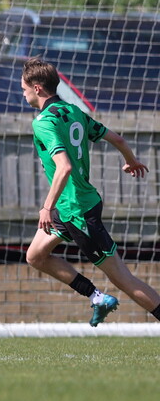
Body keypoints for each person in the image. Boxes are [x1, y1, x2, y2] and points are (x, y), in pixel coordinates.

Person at [20, 57, 160, 326]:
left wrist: (46, 207)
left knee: (122, 278)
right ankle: (96, 297)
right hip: (74, 203)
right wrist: (130, 159)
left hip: (77, 210)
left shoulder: (43, 122)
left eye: (24, 88)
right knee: (35, 255)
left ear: (37, 88)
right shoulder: (74, 112)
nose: (22, 93)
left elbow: (64, 168)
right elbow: (117, 138)